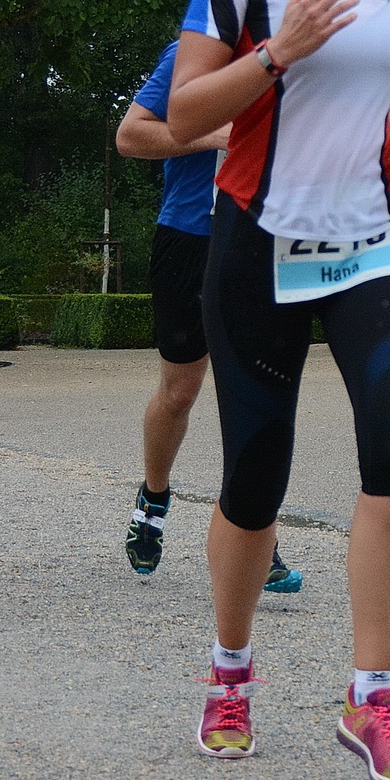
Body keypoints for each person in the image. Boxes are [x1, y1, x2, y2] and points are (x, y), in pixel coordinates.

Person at [169, 0, 390, 780]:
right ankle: (230, 671)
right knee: (254, 477)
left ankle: (373, 695)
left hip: (369, 245)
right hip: (258, 247)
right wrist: (279, 53)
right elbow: (188, 114)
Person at [116, 42, 303, 593]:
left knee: (252, 392)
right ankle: (153, 497)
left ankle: (254, 534)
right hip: (191, 236)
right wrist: (217, 136)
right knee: (180, 390)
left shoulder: (305, 56)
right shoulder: (191, 55)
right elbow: (130, 137)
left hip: (261, 240)